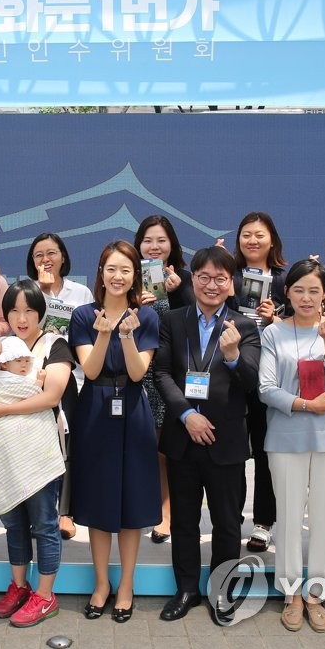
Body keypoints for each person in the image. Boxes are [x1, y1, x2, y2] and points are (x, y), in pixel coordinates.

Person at [152, 247, 260, 624]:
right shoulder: (174, 320)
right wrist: (187, 416)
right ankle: (186, 589)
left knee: (227, 524)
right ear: (193, 279)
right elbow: (161, 373)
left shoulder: (244, 327)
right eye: (204, 277)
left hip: (225, 441)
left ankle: (222, 592)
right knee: (183, 521)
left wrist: (232, 356)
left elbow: (251, 383)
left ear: (231, 285)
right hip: (183, 438)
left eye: (220, 279)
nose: (211, 285)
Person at [0, 280, 75, 628]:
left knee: (44, 523)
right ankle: (19, 586)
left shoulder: (55, 344)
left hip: (38, 451)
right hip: (3, 453)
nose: (22, 318)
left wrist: (2, 410)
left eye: (29, 310)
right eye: (14, 310)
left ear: (40, 312)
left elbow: (51, 396)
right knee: (13, 523)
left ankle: (45, 596)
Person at [258, 259, 325, 632]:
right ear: (287, 292)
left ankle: (316, 594)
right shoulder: (273, 332)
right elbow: (266, 389)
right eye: (299, 290)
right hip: (286, 436)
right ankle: (291, 594)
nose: (306, 297)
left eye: (314, 290)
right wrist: (304, 405)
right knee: (288, 516)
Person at [68, 241, 160, 623]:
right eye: (111, 269)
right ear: (101, 273)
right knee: (98, 500)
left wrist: (125, 335)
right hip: (94, 408)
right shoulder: (82, 315)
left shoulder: (146, 317)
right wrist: (104, 332)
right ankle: (102, 583)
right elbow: (89, 370)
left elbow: (139, 373)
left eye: (125, 270)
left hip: (133, 408)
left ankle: (126, 586)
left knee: (131, 502)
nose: (118, 276)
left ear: (135, 275)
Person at [26, 232, 91, 541]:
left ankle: (65, 513)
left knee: (68, 445)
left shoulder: (81, 292)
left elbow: (89, 333)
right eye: (39, 254)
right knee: (36, 445)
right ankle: (38, 512)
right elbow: (23, 331)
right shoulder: (26, 291)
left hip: (72, 377)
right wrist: (42, 292)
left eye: (51, 253)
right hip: (35, 378)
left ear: (63, 256)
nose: (45, 259)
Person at [134, 215, 195, 545]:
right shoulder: (130, 279)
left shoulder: (183, 279)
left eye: (161, 240)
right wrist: (135, 307)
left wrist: (177, 292)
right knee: (139, 447)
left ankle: (166, 513)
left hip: (168, 373)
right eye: (147, 240)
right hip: (135, 371)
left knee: (163, 449)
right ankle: (140, 509)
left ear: (172, 244)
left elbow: (196, 323)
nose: (154, 246)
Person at [230, 211, 288, 553]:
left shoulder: (284, 280)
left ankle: (264, 522)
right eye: (246, 234)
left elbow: (302, 324)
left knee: (268, 452)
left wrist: (275, 319)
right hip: (235, 375)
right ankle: (231, 515)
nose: (252, 240)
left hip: (272, 378)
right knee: (233, 451)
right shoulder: (230, 276)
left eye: (259, 234)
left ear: (272, 240)